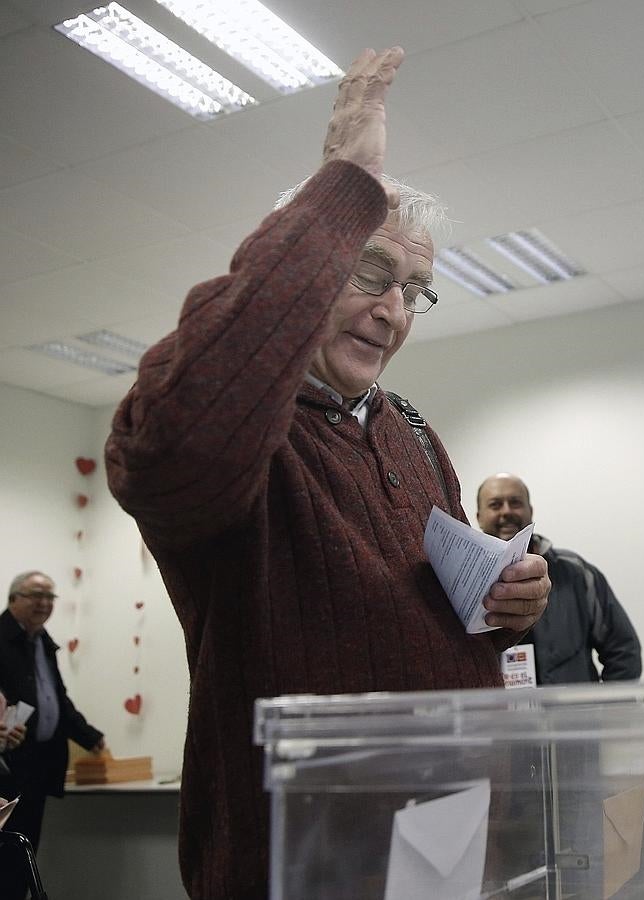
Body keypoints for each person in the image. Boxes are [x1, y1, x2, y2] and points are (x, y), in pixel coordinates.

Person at [104, 48, 550, 900]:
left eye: (415, 290)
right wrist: (343, 182)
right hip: (297, 857)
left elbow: (418, 608)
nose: (393, 309)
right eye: (370, 273)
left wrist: (506, 606)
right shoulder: (249, 437)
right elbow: (169, 445)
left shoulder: (411, 433)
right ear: (305, 271)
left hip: (447, 838)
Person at [476, 474, 641, 684]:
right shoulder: (458, 583)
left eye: (515, 503)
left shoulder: (577, 573)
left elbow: (624, 651)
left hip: (573, 717)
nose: (506, 511)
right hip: (498, 716)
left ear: (530, 511)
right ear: (479, 516)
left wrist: (606, 711)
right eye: (495, 504)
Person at [0, 572, 106, 899]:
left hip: (36, 769)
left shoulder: (43, 642)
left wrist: (93, 739)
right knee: (6, 863)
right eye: (35, 595)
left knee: (25, 856)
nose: (44, 604)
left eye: (50, 597)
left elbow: (57, 701)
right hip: (7, 768)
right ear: (13, 599)